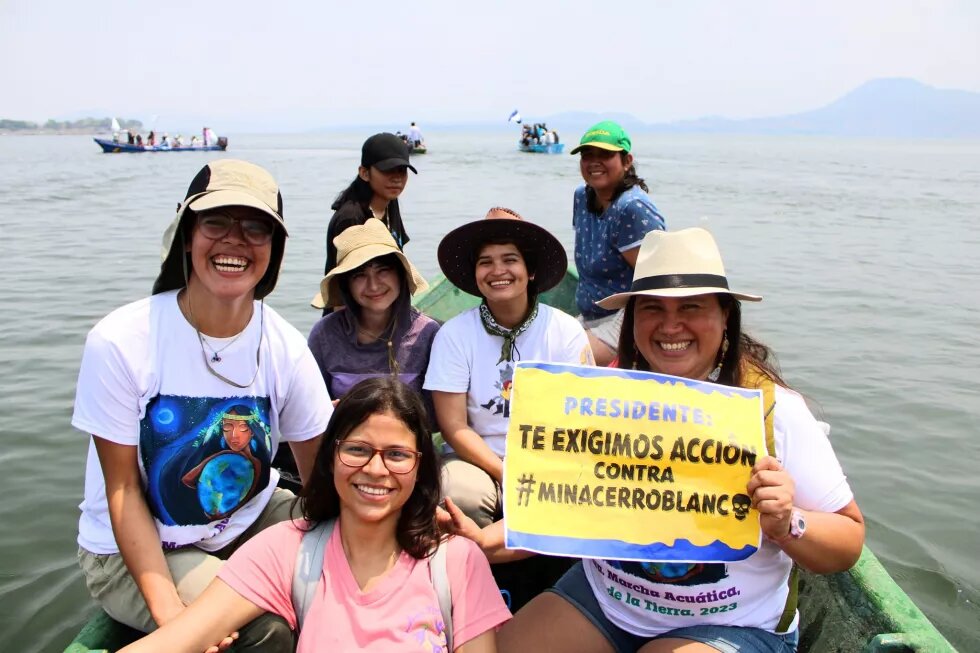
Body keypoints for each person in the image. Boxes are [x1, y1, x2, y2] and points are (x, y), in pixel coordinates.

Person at [497, 227, 865, 653]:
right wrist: (480, 538)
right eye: (652, 308)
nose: (671, 325)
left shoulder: (770, 411)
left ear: (725, 315)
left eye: (691, 307)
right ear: (632, 319)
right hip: (606, 598)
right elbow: (560, 505)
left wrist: (787, 524)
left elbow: (848, 541)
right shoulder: (600, 400)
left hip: (729, 623)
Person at [72, 159, 333, 651]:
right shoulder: (122, 340)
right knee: (265, 628)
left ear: (273, 251)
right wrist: (172, 613)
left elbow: (320, 476)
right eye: (216, 222)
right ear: (187, 234)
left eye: (256, 228)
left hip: (248, 517)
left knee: (350, 575)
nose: (235, 240)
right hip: (134, 548)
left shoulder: (285, 346)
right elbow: (124, 489)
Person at [118, 377, 511, 653]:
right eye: (357, 450)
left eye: (396, 455)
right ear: (330, 458)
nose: (376, 469)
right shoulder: (285, 549)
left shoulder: (457, 563)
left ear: (420, 467)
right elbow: (177, 640)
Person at [424, 208, 594, 529]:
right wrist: (504, 472)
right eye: (485, 261)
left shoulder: (566, 330)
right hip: (477, 459)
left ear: (530, 271)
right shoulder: (454, 335)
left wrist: (542, 470)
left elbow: (580, 418)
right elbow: (454, 426)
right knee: (460, 495)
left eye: (510, 259)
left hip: (550, 457)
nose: (497, 270)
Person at [308, 218, 440, 419]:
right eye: (359, 275)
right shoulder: (325, 333)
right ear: (346, 285)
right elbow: (310, 410)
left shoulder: (428, 333)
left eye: (383, 271)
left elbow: (437, 418)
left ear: (400, 275)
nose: (373, 286)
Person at [570, 120, 666, 366]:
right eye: (587, 155)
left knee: (567, 358)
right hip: (591, 312)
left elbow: (657, 281)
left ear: (626, 161)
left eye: (605, 155)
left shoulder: (631, 208)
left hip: (627, 316)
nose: (594, 162)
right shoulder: (582, 197)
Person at [312, 132, 418, 313]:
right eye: (387, 170)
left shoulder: (390, 202)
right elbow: (343, 285)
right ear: (364, 173)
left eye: (402, 170)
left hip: (383, 312)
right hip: (350, 321)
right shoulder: (351, 218)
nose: (396, 178)